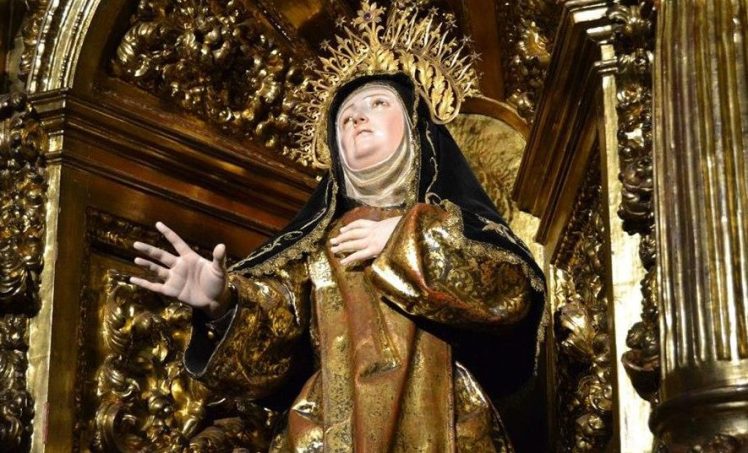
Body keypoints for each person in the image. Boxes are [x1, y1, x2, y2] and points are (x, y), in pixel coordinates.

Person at [130, 4, 546, 451]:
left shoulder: (455, 224)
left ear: (415, 125)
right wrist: (225, 303)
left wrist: (406, 239)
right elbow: (274, 344)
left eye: (378, 104)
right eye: (345, 118)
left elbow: (509, 296)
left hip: (445, 423)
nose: (357, 119)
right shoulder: (313, 245)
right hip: (329, 429)